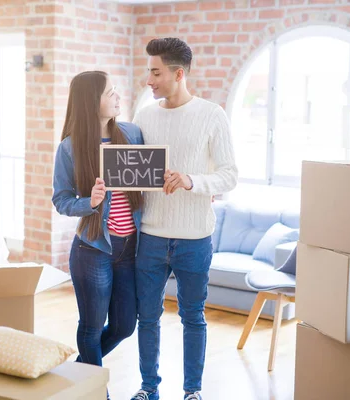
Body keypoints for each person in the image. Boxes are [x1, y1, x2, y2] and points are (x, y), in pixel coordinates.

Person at [130, 38, 238, 400]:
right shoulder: (144, 116)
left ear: (178, 74)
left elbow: (229, 175)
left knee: (193, 317)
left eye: (156, 72)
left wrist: (192, 181)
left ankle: (192, 392)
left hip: (194, 238)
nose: (149, 79)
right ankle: (149, 388)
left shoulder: (212, 114)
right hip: (150, 236)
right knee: (147, 318)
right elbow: (134, 173)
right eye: (148, 71)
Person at [51, 71, 144, 400]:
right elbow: (61, 200)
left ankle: (78, 373)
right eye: (110, 93)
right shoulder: (70, 148)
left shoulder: (132, 134)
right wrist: (89, 203)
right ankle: (96, 395)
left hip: (129, 249)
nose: (118, 97)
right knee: (91, 327)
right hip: (92, 250)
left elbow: (151, 178)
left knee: (124, 326)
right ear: (92, 102)